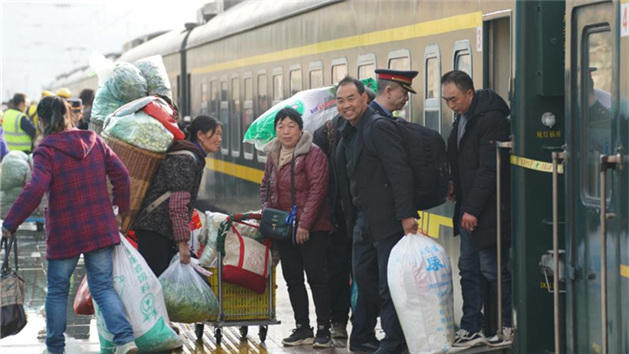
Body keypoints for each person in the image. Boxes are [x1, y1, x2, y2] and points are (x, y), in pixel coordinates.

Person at [1, 95, 138, 354]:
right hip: (99, 227)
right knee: (103, 288)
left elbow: (36, 188)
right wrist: (119, 210)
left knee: (56, 292)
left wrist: (10, 224)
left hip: (65, 231)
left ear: (41, 121)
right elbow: (122, 175)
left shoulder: (46, 150)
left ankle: (55, 348)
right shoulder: (94, 141)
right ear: (69, 115)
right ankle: (125, 340)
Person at [335, 76, 418, 354]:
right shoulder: (348, 131)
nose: (345, 105)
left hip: (386, 220)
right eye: (340, 100)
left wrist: (407, 215)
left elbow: (400, 172)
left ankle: (394, 342)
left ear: (364, 99)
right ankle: (385, 332)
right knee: (364, 277)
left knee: (387, 283)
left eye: (350, 99)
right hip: (361, 219)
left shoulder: (378, 127)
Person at [441, 70, 512, 347]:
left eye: (454, 99)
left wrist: (471, 208)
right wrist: (451, 181)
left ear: (469, 93)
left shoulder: (491, 119)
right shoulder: (461, 117)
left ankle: (506, 325)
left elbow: (489, 169)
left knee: (492, 269)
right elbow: (459, 157)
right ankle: (472, 326)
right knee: (468, 267)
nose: (450, 105)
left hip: (490, 210)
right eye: (446, 100)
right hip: (467, 207)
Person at [260, 107, 333, 347]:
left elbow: (317, 191)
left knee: (317, 278)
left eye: (291, 126)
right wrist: (267, 211)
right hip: (284, 228)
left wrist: (305, 225)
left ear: (301, 129)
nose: (285, 131)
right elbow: (265, 186)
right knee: (292, 279)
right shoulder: (273, 154)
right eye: (281, 126)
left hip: (312, 227)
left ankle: (324, 329)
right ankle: (303, 327)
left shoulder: (313, 154)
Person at [134, 115, 222, 277]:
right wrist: (183, 243)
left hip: (160, 230)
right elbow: (178, 203)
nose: (219, 139)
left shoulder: (191, 157)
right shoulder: (185, 159)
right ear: (200, 135)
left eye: (220, 134)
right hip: (155, 230)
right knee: (156, 284)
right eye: (215, 133)